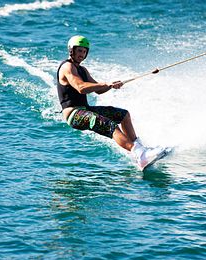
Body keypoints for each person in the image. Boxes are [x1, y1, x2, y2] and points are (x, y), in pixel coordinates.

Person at [56, 35, 165, 170]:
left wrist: (111, 85)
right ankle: (139, 154)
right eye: (79, 51)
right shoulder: (67, 67)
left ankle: (141, 150)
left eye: (84, 52)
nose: (82, 54)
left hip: (85, 110)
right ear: (71, 50)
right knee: (109, 124)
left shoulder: (82, 70)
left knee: (123, 115)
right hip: (74, 114)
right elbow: (81, 88)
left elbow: (98, 90)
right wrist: (105, 83)